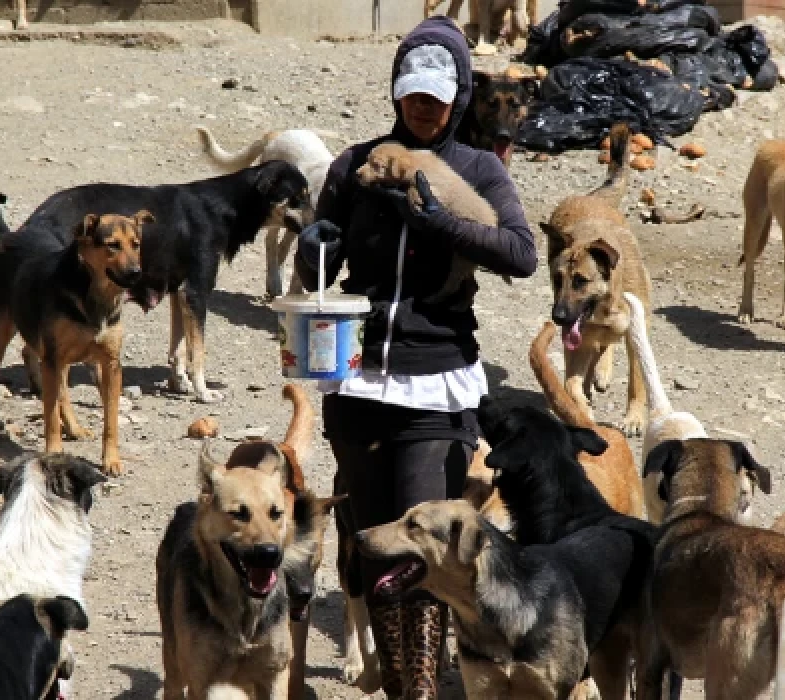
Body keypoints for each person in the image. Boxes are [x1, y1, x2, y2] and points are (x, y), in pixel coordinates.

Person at [294, 16, 536, 699]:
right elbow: (322, 270)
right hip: (359, 381)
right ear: (396, 92)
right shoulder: (355, 164)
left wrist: (439, 222)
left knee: (422, 552)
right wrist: (316, 245)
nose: (423, 109)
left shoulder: (479, 167)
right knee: (374, 547)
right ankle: (402, 687)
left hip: (439, 386)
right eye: (412, 95)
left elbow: (520, 254)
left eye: (436, 97)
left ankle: (424, 689)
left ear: (459, 97)